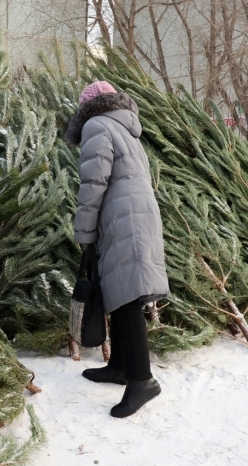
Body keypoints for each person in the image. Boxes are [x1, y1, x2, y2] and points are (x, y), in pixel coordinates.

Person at [64, 81, 170, 418]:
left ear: (88, 107)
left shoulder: (97, 125)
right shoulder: (126, 127)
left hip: (124, 220)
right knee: (124, 295)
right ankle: (121, 368)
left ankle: (142, 380)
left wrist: (85, 234)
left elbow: (93, 185)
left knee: (126, 301)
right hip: (136, 218)